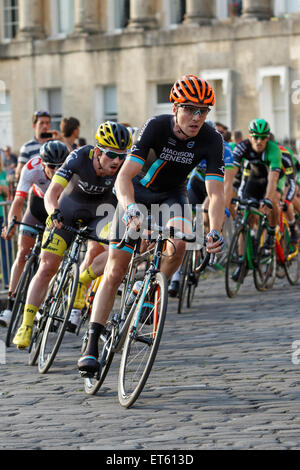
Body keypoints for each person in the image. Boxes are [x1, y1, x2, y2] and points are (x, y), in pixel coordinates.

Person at [77, 74, 225, 375]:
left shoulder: (212, 139)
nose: (197, 117)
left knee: (182, 240)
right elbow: (123, 177)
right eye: (190, 109)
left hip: (172, 196)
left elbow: (216, 194)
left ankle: (151, 294)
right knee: (116, 269)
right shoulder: (156, 126)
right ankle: (92, 340)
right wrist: (130, 208)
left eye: (203, 111)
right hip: (137, 194)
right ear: (175, 108)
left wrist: (214, 231)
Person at [13, 121, 132, 349]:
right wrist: (53, 212)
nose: (117, 161)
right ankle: (26, 323)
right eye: (111, 155)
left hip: (101, 214)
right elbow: (52, 193)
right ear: (97, 151)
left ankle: (81, 280)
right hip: (67, 211)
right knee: (48, 267)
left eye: (121, 155)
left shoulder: (124, 165)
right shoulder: (79, 157)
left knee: (117, 250)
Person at [0, 141, 69, 328]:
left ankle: (44, 305)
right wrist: (11, 223)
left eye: (60, 166)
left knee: (53, 263)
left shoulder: (71, 169)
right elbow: (18, 200)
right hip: (37, 206)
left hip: (59, 208)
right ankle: (10, 305)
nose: (56, 171)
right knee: (23, 253)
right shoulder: (32, 167)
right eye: (51, 167)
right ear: (42, 163)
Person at [228, 118, 282, 250]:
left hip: (269, 182)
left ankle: (270, 231)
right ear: (249, 136)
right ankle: (242, 262)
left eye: (263, 137)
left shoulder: (274, 150)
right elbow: (229, 176)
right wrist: (224, 200)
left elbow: (273, 178)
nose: (259, 141)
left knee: (273, 201)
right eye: (256, 137)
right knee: (244, 217)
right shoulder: (242, 147)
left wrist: (268, 199)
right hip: (252, 180)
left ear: (268, 138)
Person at [15, 110, 60, 180]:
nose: (45, 126)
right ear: (34, 125)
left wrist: (62, 140)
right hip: (35, 188)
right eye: (41, 123)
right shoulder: (27, 147)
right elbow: (18, 174)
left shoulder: (57, 145)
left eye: (47, 123)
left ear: (50, 125)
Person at [0, 158, 10, 289]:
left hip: (2, 216)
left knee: (6, 251)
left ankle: (7, 281)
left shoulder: (2, 173)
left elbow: (7, 192)